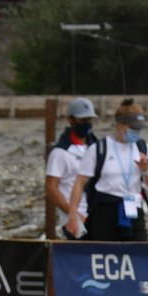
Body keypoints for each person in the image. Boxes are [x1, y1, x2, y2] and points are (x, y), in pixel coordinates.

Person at [76, 98, 148, 242]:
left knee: (138, 254)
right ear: (120, 125)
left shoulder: (143, 148)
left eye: (139, 128)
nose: (137, 132)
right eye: (133, 128)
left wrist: (145, 170)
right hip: (105, 210)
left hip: (133, 209)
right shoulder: (98, 149)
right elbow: (79, 183)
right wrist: (75, 214)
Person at [45, 96, 97, 240]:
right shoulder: (60, 152)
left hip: (97, 214)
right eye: (82, 120)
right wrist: (73, 213)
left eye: (89, 119)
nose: (86, 123)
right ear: (71, 120)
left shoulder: (97, 147)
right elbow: (51, 187)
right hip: (75, 218)